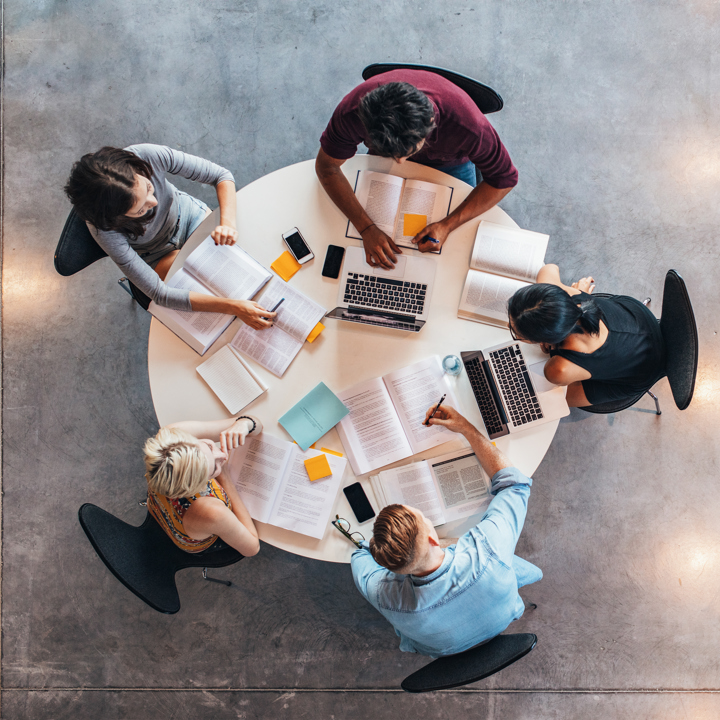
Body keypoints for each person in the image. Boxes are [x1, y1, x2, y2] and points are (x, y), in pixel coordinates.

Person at [351, 405, 541, 658]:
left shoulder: (383, 595)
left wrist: (374, 547)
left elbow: (359, 557)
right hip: (503, 614)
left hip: (443, 650)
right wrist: (466, 428)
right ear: (432, 537)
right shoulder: (487, 551)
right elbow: (515, 485)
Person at [316, 69, 518, 269]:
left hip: (452, 163)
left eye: (407, 152)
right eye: (393, 154)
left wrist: (448, 224)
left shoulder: (469, 127)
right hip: (387, 159)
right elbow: (327, 167)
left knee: (455, 248)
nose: (400, 163)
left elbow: (504, 179)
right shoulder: (352, 112)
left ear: (431, 124)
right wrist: (366, 228)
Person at [64, 144, 276, 329]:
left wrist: (227, 223)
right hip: (155, 254)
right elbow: (160, 294)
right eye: (140, 210)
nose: (154, 202)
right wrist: (233, 307)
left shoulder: (146, 155)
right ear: (115, 218)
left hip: (191, 218)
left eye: (149, 187)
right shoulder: (104, 229)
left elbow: (221, 176)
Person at [507, 264, 665, 407]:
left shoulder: (558, 369)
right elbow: (549, 269)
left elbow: (555, 370)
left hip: (644, 371)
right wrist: (579, 293)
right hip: (639, 319)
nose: (508, 326)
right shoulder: (566, 294)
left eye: (515, 333)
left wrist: (553, 345)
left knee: (551, 401)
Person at [143, 416, 262, 555]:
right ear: (198, 487)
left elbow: (256, 423)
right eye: (214, 469)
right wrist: (225, 477)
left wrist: (245, 424)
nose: (222, 455)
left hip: (158, 505)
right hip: (195, 535)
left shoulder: (172, 437)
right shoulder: (211, 511)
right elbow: (252, 548)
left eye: (209, 446)